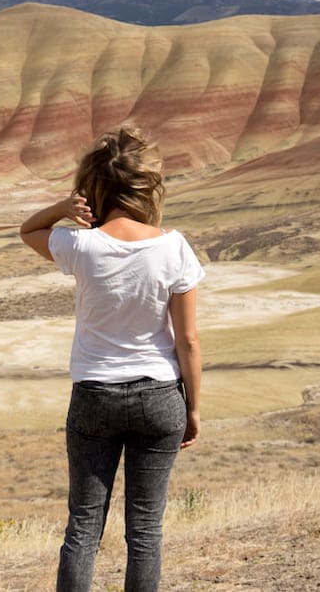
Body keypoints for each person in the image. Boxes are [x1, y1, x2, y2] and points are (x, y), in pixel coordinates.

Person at [19, 125, 204, 592]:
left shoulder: (81, 246)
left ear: (95, 186)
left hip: (95, 395)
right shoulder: (174, 248)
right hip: (161, 395)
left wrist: (64, 208)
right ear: (147, 185)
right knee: (145, 530)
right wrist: (194, 409)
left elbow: (30, 230)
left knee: (83, 527)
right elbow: (188, 342)